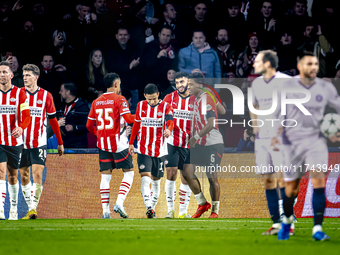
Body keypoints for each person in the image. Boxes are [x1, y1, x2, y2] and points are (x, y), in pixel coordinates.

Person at [271, 52, 340, 241]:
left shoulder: (324, 87)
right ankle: (286, 222)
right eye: (310, 64)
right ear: (300, 66)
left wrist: (334, 130)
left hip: (316, 141)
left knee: (319, 182)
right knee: (291, 189)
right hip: (292, 143)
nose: (314, 67)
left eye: (316, 64)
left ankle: (317, 229)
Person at [250, 50, 293, 235]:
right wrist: (255, 125)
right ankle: (276, 223)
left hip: (281, 137)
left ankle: (288, 222)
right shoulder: (256, 83)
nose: (254, 63)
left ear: (267, 64)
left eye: (257, 61)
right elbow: (254, 105)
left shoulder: (285, 81)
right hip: (263, 138)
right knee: (268, 180)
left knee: (283, 179)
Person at [87, 72, 136, 219]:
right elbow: (128, 118)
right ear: (116, 84)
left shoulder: (96, 101)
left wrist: (98, 135)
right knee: (129, 173)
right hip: (119, 143)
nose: (119, 86)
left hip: (103, 144)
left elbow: (89, 125)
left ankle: (105, 211)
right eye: (119, 84)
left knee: (105, 177)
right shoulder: (120, 99)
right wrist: (141, 115)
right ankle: (119, 203)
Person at [19, 64, 64, 220]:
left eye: (28, 75)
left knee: (37, 173)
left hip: (39, 141)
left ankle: (33, 209)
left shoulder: (46, 96)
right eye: (23, 75)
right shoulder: (18, 94)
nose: (25, 78)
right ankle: (30, 206)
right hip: (20, 142)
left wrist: (60, 142)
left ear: (36, 77)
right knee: (24, 176)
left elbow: (53, 120)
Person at [181, 73, 224, 218]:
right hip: (198, 143)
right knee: (186, 171)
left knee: (212, 177)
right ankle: (202, 203)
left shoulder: (206, 98)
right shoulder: (194, 98)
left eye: (191, 84)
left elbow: (211, 123)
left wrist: (196, 136)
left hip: (212, 143)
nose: (189, 87)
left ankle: (215, 211)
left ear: (200, 84)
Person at [128, 83, 173, 218]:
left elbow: (170, 121)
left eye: (154, 98)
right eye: (149, 99)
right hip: (143, 148)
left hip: (160, 150)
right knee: (145, 177)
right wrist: (131, 143)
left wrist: (168, 130)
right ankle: (148, 207)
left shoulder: (166, 106)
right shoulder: (140, 106)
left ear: (158, 94)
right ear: (144, 96)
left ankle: (152, 208)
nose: (152, 101)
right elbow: (136, 124)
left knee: (156, 180)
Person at [0, 61, 31, 220]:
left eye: (5, 72)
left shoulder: (20, 93)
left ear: (11, 75)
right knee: (1, 172)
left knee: (13, 176)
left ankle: (13, 210)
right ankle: (0, 210)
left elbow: (27, 116)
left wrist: (21, 128)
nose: (2, 75)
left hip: (14, 141)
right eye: (0, 72)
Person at [163, 71, 193, 218]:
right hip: (172, 142)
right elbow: (163, 115)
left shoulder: (196, 98)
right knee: (171, 174)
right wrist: (167, 129)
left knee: (185, 177)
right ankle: (170, 210)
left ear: (188, 81)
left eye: (182, 82)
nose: (179, 85)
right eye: (177, 83)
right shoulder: (169, 97)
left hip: (189, 143)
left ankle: (183, 212)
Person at [104, 27, 141, 114]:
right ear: (116, 36)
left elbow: (139, 66)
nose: (123, 37)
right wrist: (128, 67)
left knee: (134, 113)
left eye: (125, 35)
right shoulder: (111, 49)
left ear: (129, 36)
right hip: (119, 88)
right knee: (118, 113)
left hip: (133, 87)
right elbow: (111, 67)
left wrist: (129, 67)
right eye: (120, 35)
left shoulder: (134, 48)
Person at [141, 24, 176, 93]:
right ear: (159, 34)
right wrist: (158, 56)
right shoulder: (149, 47)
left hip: (166, 84)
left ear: (171, 37)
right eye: (163, 35)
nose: (165, 37)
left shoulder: (173, 48)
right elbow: (147, 65)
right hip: (151, 84)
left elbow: (175, 65)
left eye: (168, 35)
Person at [58, 83, 89, 148]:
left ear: (68, 92)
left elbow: (88, 126)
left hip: (78, 146)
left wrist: (73, 127)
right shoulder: (62, 106)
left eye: (61, 90)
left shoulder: (82, 107)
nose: (59, 92)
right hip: (64, 144)